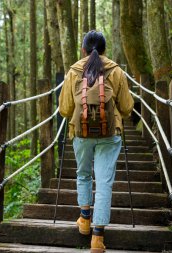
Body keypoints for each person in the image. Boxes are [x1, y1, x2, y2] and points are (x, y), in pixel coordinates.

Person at [59, 30, 134, 253]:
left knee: (83, 174)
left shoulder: (73, 71)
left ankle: (84, 220)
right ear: (104, 50)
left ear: (83, 50)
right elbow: (127, 108)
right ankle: (98, 238)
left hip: (81, 133)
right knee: (104, 182)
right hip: (110, 134)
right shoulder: (116, 70)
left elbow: (64, 110)